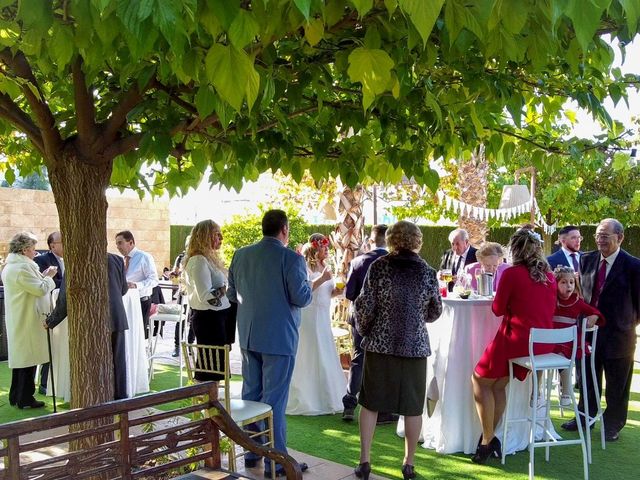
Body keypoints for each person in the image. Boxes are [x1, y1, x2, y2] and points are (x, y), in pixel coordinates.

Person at [353, 221, 442, 480]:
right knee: (412, 407)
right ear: (417, 240)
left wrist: (367, 330)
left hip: (380, 345)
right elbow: (435, 311)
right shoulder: (427, 272)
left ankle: (365, 461)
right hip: (414, 347)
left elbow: (364, 305)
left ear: (391, 240)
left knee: (370, 403)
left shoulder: (378, 267)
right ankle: (408, 464)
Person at [227, 209, 312, 477]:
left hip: (249, 335)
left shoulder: (241, 254)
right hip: (279, 338)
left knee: (251, 395)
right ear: (284, 229)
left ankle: (253, 453)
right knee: (274, 400)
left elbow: (231, 294)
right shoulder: (291, 259)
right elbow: (301, 298)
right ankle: (277, 461)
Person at [471, 229, 556, 464]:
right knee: (497, 385)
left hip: (517, 340)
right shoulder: (549, 276)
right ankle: (489, 439)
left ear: (515, 251)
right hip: (541, 345)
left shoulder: (511, 273)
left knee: (479, 380)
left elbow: (497, 309)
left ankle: (487, 440)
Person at [561, 218, 640, 442]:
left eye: (605, 236)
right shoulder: (586, 259)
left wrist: (622, 323)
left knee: (617, 384)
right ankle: (584, 417)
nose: (600, 240)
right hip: (586, 333)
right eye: (597, 235)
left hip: (619, 335)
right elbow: (582, 294)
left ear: (620, 237)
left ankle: (612, 424)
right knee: (586, 377)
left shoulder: (634, 266)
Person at [46, 253, 130, 400]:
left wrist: (51, 321)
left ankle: (99, 399)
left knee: (93, 361)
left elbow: (65, 297)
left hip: (93, 319)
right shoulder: (116, 259)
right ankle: (120, 398)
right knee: (118, 360)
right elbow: (123, 289)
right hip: (117, 315)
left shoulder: (76, 259)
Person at [342, 224, 398, 424]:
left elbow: (349, 293)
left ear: (371, 240)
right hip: (387, 320)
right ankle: (383, 410)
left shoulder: (358, 261)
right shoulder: (395, 263)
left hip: (360, 318)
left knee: (358, 359)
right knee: (384, 363)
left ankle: (349, 404)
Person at [286, 233, 343, 415]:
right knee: (309, 351)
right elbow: (304, 289)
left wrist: (337, 291)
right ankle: (307, 396)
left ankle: (327, 395)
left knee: (325, 350)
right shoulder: (303, 265)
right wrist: (323, 279)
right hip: (309, 315)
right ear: (315, 248)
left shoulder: (325, 266)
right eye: (324, 247)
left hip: (323, 315)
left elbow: (326, 292)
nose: (327, 250)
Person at [1, 232, 57, 409]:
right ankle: (25, 398)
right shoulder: (20, 268)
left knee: (22, 360)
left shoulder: (16, 266)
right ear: (25, 250)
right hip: (26, 318)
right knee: (28, 360)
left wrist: (43, 276)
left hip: (23, 316)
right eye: (33, 249)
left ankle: (16, 395)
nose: (36, 252)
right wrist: (49, 277)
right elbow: (40, 289)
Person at [182, 220, 236, 382]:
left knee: (216, 370)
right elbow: (205, 295)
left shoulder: (208, 258)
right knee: (209, 371)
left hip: (219, 318)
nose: (221, 238)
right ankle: (208, 404)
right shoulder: (198, 260)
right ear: (205, 236)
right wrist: (227, 288)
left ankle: (211, 404)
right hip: (209, 320)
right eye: (217, 234)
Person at [552, 266, 605, 407]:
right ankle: (536, 390)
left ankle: (567, 390)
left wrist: (593, 316)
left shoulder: (577, 302)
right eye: (563, 282)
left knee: (564, 355)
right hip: (550, 340)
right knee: (539, 354)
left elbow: (594, 312)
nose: (568, 286)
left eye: (571, 282)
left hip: (568, 342)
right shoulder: (550, 300)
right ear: (555, 284)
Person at [33, 230, 65, 394]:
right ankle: (45, 384)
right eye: (62, 241)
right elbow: (48, 282)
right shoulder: (41, 260)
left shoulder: (71, 258)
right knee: (49, 346)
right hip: (51, 310)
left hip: (66, 311)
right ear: (52, 245)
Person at [115, 230, 158, 339]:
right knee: (127, 335)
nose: (118, 247)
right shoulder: (120, 260)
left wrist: (136, 285)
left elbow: (154, 279)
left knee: (138, 335)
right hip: (125, 301)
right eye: (116, 244)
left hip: (141, 301)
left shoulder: (144, 257)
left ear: (131, 242)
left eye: (120, 243)